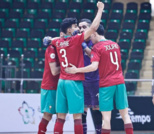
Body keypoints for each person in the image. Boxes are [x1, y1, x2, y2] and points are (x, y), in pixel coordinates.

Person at [65, 24, 133, 134]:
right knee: (125, 115)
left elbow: (93, 67)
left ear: (95, 33)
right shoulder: (115, 44)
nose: (90, 39)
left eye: (91, 36)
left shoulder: (97, 47)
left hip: (106, 84)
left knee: (106, 118)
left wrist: (76, 70)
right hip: (120, 82)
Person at [50, 2, 104, 134]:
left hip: (62, 81)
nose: (77, 29)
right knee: (78, 117)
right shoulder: (76, 40)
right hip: (74, 81)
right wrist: (101, 9)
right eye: (75, 27)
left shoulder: (57, 42)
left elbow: (51, 40)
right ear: (69, 30)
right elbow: (95, 27)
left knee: (60, 117)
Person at [78, 18, 102, 134]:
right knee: (82, 110)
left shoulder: (95, 41)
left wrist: (83, 46)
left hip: (95, 80)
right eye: (79, 27)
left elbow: (92, 55)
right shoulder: (78, 41)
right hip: (82, 81)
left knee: (96, 109)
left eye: (84, 27)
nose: (81, 29)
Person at [38, 37, 60, 134]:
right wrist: (66, 65)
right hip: (50, 86)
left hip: (61, 86)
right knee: (48, 115)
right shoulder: (51, 48)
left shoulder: (66, 47)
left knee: (61, 115)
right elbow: (54, 71)